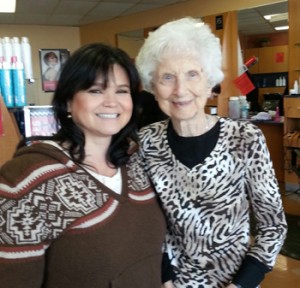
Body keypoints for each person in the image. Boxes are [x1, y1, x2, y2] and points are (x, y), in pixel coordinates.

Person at [135, 17, 287, 288]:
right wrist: (166, 280)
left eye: (192, 74)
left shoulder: (245, 139)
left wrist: (241, 284)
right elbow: (145, 225)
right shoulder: (146, 142)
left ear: (210, 81)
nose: (180, 90)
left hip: (236, 282)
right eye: (167, 77)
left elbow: (273, 226)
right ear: (153, 86)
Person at [0, 43, 168, 287]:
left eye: (122, 91)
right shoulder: (26, 179)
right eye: (95, 90)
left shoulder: (137, 161)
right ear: (68, 101)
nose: (112, 102)